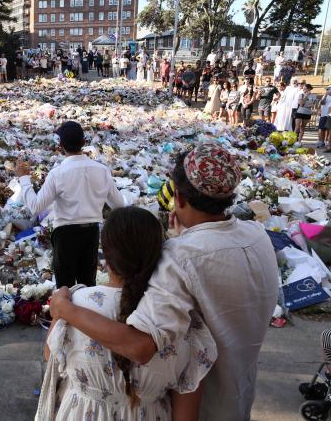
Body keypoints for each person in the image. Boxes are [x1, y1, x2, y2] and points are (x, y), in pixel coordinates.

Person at [50, 143, 280, 421]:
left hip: (200, 405)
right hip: (239, 394)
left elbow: (140, 347)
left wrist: (66, 309)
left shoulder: (179, 257)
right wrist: (183, 236)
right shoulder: (258, 236)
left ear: (179, 198)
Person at [38, 206, 216, 421]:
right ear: (159, 254)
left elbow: (51, 355)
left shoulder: (74, 304)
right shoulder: (180, 320)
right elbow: (186, 413)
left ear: (106, 256)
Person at [15, 121, 125, 288]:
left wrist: (24, 179)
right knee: (87, 285)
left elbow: (35, 207)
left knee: (65, 288)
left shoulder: (57, 174)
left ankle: (65, 314)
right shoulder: (101, 170)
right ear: (84, 142)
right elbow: (119, 204)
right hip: (91, 233)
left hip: (66, 235)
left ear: (60, 145)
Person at [317, 86, 331, 150]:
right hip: (323, 115)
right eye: (327, 89)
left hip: (329, 115)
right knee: (322, 129)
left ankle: (328, 143)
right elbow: (321, 103)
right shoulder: (325, 96)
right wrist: (325, 95)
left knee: (329, 129)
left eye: (328, 89)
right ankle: (322, 142)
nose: (327, 90)